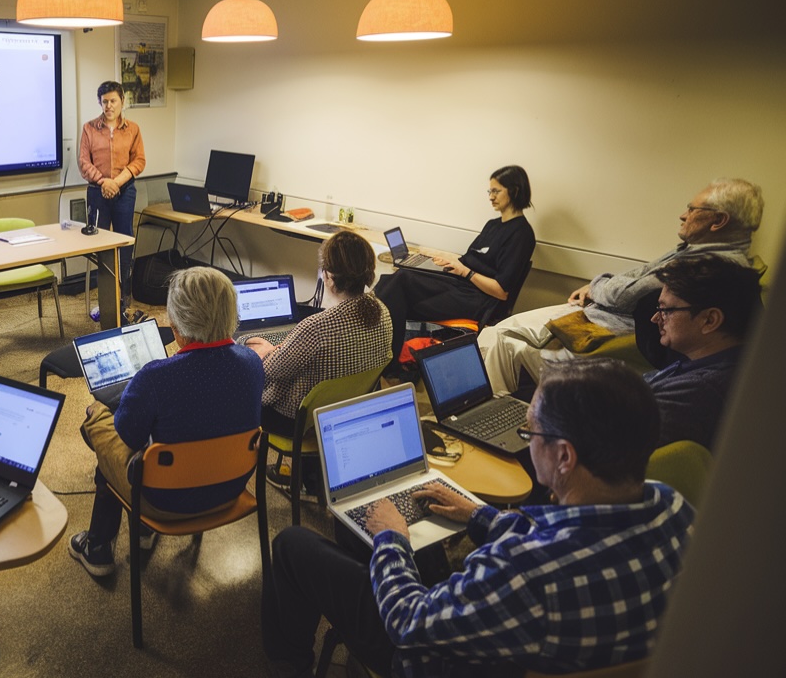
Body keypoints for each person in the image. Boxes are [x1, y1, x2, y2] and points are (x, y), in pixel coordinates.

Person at [263, 358, 695, 678]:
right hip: (550, 646)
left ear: (565, 457)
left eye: (531, 433)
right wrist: (481, 517)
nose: (528, 443)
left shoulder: (520, 570)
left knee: (294, 544)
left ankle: (289, 662)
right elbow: (561, 537)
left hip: (433, 660)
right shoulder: (675, 510)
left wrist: (392, 540)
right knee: (420, 548)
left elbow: (408, 624)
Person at [480, 178, 764, 395]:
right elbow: (635, 276)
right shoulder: (695, 249)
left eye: (692, 209)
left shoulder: (704, 265)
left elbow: (625, 297)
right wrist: (598, 286)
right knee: (501, 342)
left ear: (719, 220)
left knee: (494, 337)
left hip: (602, 327)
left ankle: (489, 422)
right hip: (598, 311)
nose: (683, 215)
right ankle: (500, 414)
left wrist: (597, 286)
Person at [69, 266, 264, 576]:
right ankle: (143, 535)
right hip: (231, 489)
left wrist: (103, 412)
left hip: (164, 500)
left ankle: (98, 549)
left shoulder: (155, 376)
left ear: (176, 325)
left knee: (99, 420)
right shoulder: (252, 363)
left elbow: (129, 439)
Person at [242, 230, 392, 493]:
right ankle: (308, 477)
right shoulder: (382, 312)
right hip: (345, 410)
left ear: (329, 277)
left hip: (296, 421)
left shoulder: (316, 328)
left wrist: (267, 351)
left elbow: (267, 373)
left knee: (242, 374)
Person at [373, 165, 536, 361]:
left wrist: (465, 272)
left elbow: (501, 291)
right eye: (489, 191)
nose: (491, 196)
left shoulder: (521, 234)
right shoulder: (493, 225)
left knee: (400, 285)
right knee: (395, 279)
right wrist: (445, 260)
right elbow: (470, 259)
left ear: (515, 191)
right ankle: (383, 353)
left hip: (478, 299)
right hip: (460, 285)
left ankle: (385, 359)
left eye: (496, 191)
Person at [644, 254, 761, 451]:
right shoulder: (724, 360)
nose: (655, 318)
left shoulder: (696, 392)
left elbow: (603, 446)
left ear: (709, 320)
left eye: (666, 310)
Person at [78, 79, 146, 313]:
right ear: (100, 102)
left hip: (124, 191)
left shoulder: (133, 129)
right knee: (98, 242)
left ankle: (122, 295)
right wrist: (104, 181)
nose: (109, 105)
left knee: (124, 240)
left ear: (122, 102)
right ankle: (104, 297)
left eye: (113, 101)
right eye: (105, 101)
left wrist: (116, 182)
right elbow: (84, 162)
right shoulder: (89, 128)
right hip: (97, 191)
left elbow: (139, 160)